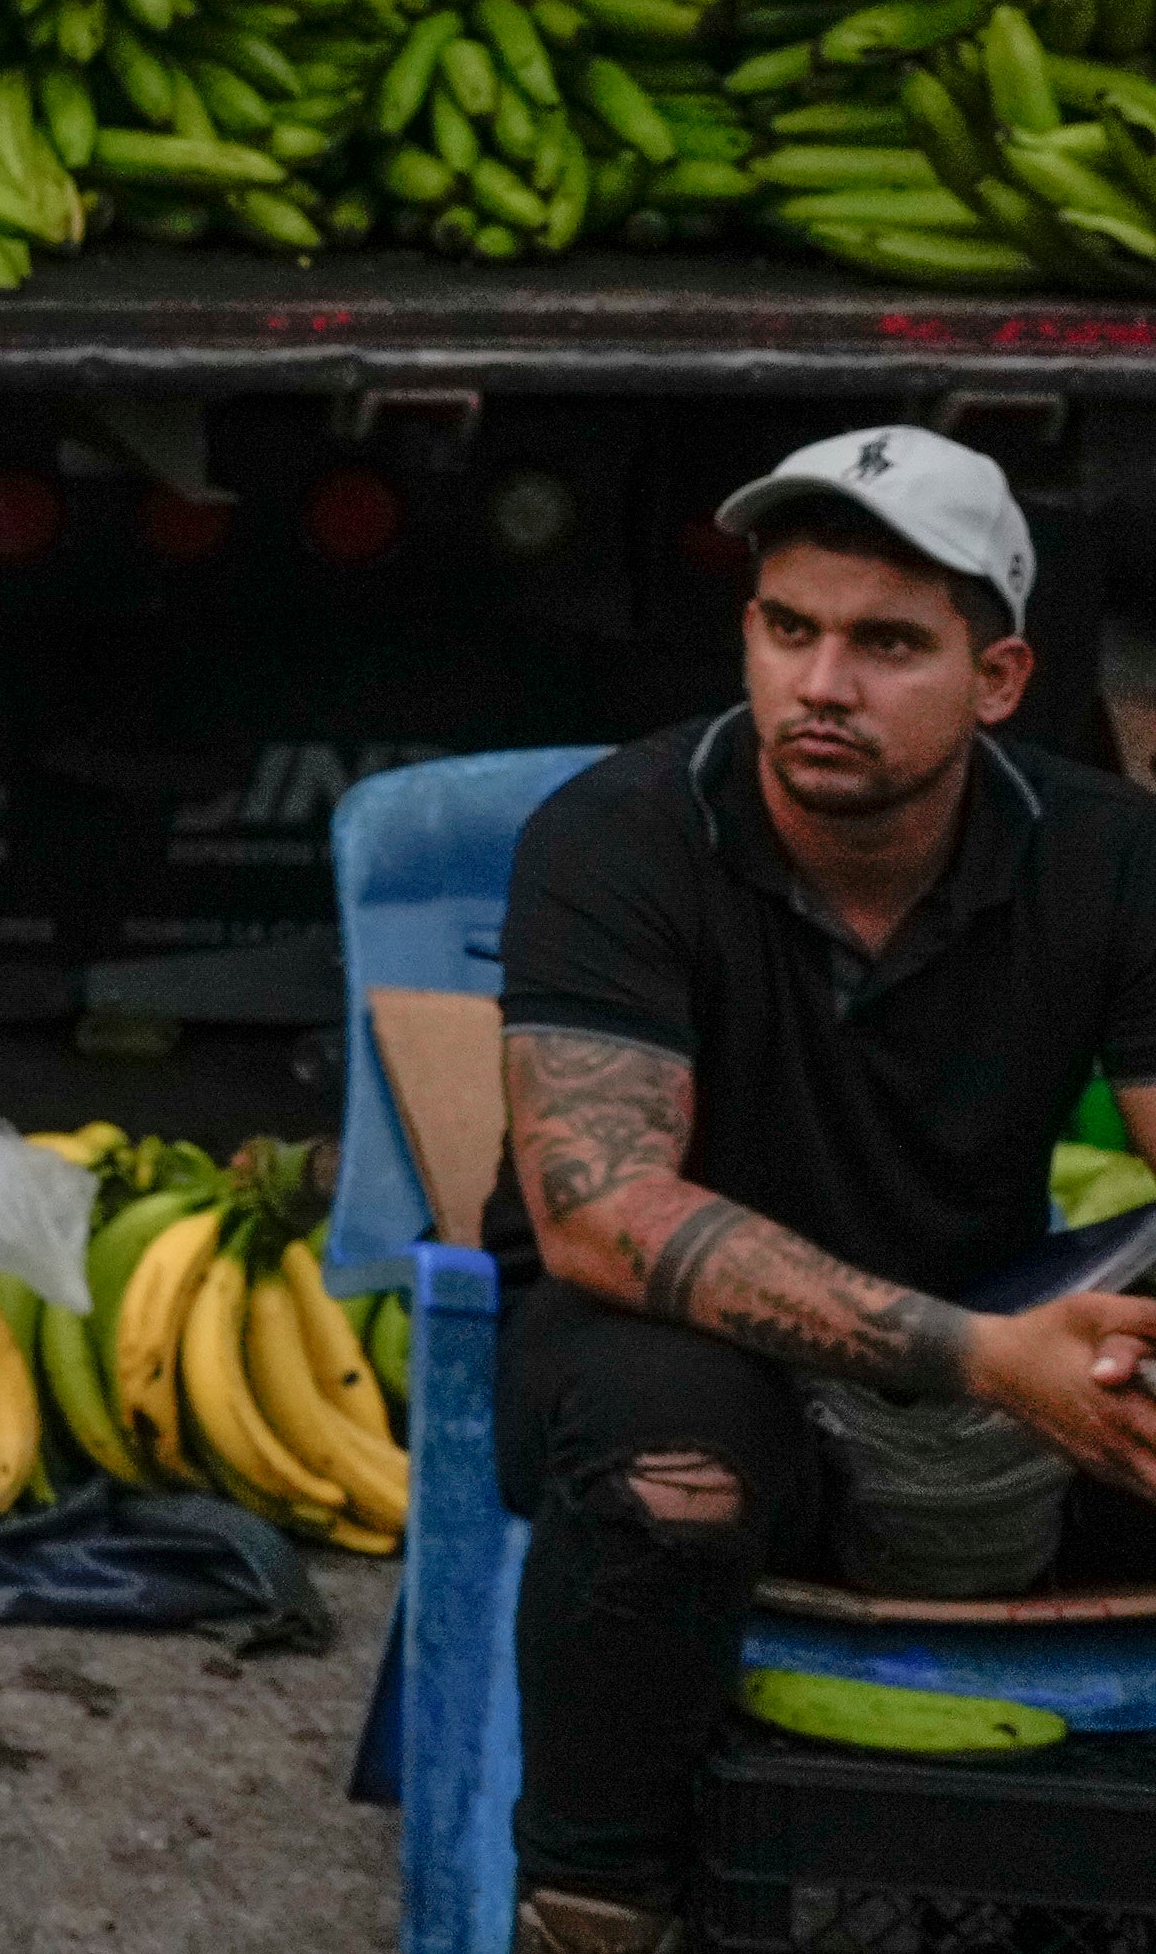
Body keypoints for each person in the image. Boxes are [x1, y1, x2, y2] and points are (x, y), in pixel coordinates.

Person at [490, 424, 1156, 1954]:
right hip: (658, 1350)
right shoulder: (617, 836)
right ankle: (597, 1910)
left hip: (989, 1341)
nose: (822, 683)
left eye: (888, 644)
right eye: (788, 629)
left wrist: (1028, 1356)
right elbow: (603, 1214)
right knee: (674, 1472)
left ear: (998, 679)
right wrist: (982, 1358)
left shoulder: (1110, 855)